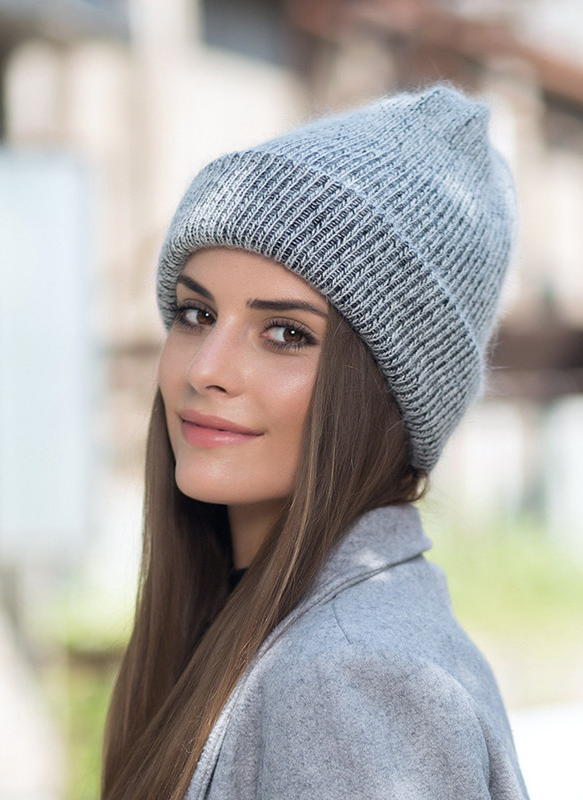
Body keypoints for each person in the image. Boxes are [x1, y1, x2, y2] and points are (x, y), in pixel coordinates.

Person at [102, 85, 528, 800]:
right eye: (196, 312)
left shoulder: (351, 676)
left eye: (287, 333)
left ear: (387, 391)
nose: (205, 370)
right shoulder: (270, 630)